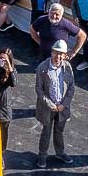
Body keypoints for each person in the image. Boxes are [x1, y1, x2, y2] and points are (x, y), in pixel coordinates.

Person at [34, 40, 75, 168]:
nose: (58, 57)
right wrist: (51, 105)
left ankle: (60, 152)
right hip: (48, 108)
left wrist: (64, 104)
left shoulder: (67, 67)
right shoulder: (42, 68)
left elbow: (71, 87)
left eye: (61, 54)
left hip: (62, 108)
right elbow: (39, 90)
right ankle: (42, 155)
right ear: (52, 52)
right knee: (46, 132)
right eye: (56, 53)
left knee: (59, 131)